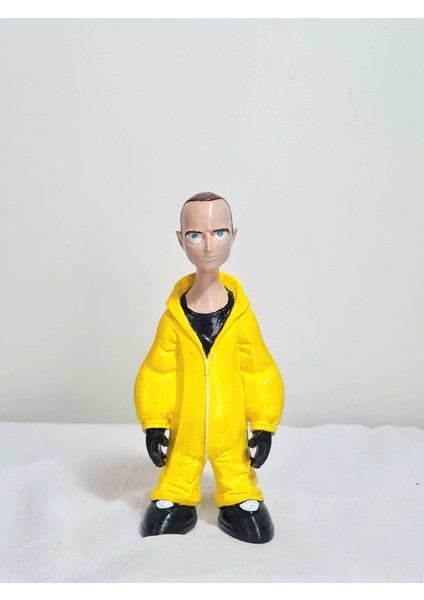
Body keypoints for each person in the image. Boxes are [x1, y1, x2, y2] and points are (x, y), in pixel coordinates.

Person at [134, 192, 284, 543]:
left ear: (233, 235)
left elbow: (258, 371)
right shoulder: (174, 318)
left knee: (236, 469)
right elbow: (158, 371)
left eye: (218, 233)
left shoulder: (241, 317)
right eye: (194, 235)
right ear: (180, 240)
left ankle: (237, 495)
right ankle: (177, 493)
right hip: (184, 429)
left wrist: (264, 425)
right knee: (178, 468)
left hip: (230, 429)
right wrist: (154, 424)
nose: (207, 245)